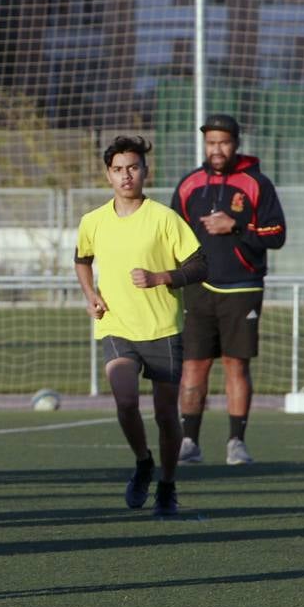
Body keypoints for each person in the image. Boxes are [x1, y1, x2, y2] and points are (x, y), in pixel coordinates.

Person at [75, 136, 206, 517]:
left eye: (133, 167)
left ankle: (166, 484)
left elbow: (200, 266)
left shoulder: (164, 218)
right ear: (108, 175)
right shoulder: (92, 221)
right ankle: (142, 462)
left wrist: (161, 276)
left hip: (163, 330)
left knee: (166, 416)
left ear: (145, 172)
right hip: (116, 327)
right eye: (118, 169)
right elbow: (82, 259)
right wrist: (90, 294)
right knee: (126, 401)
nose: (126, 175)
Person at [170, 113, 286, 466]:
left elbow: (277, 235)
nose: (216, 149)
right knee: (193, 367)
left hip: (243, 288)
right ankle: (189, 442)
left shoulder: (257, 184)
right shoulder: (189, 184)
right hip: (198, 290)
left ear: (236, 143)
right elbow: (172, 238)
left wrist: (235, 226)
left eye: (223, 142)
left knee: (237, 365)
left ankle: (237, 442)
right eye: (210, 143)